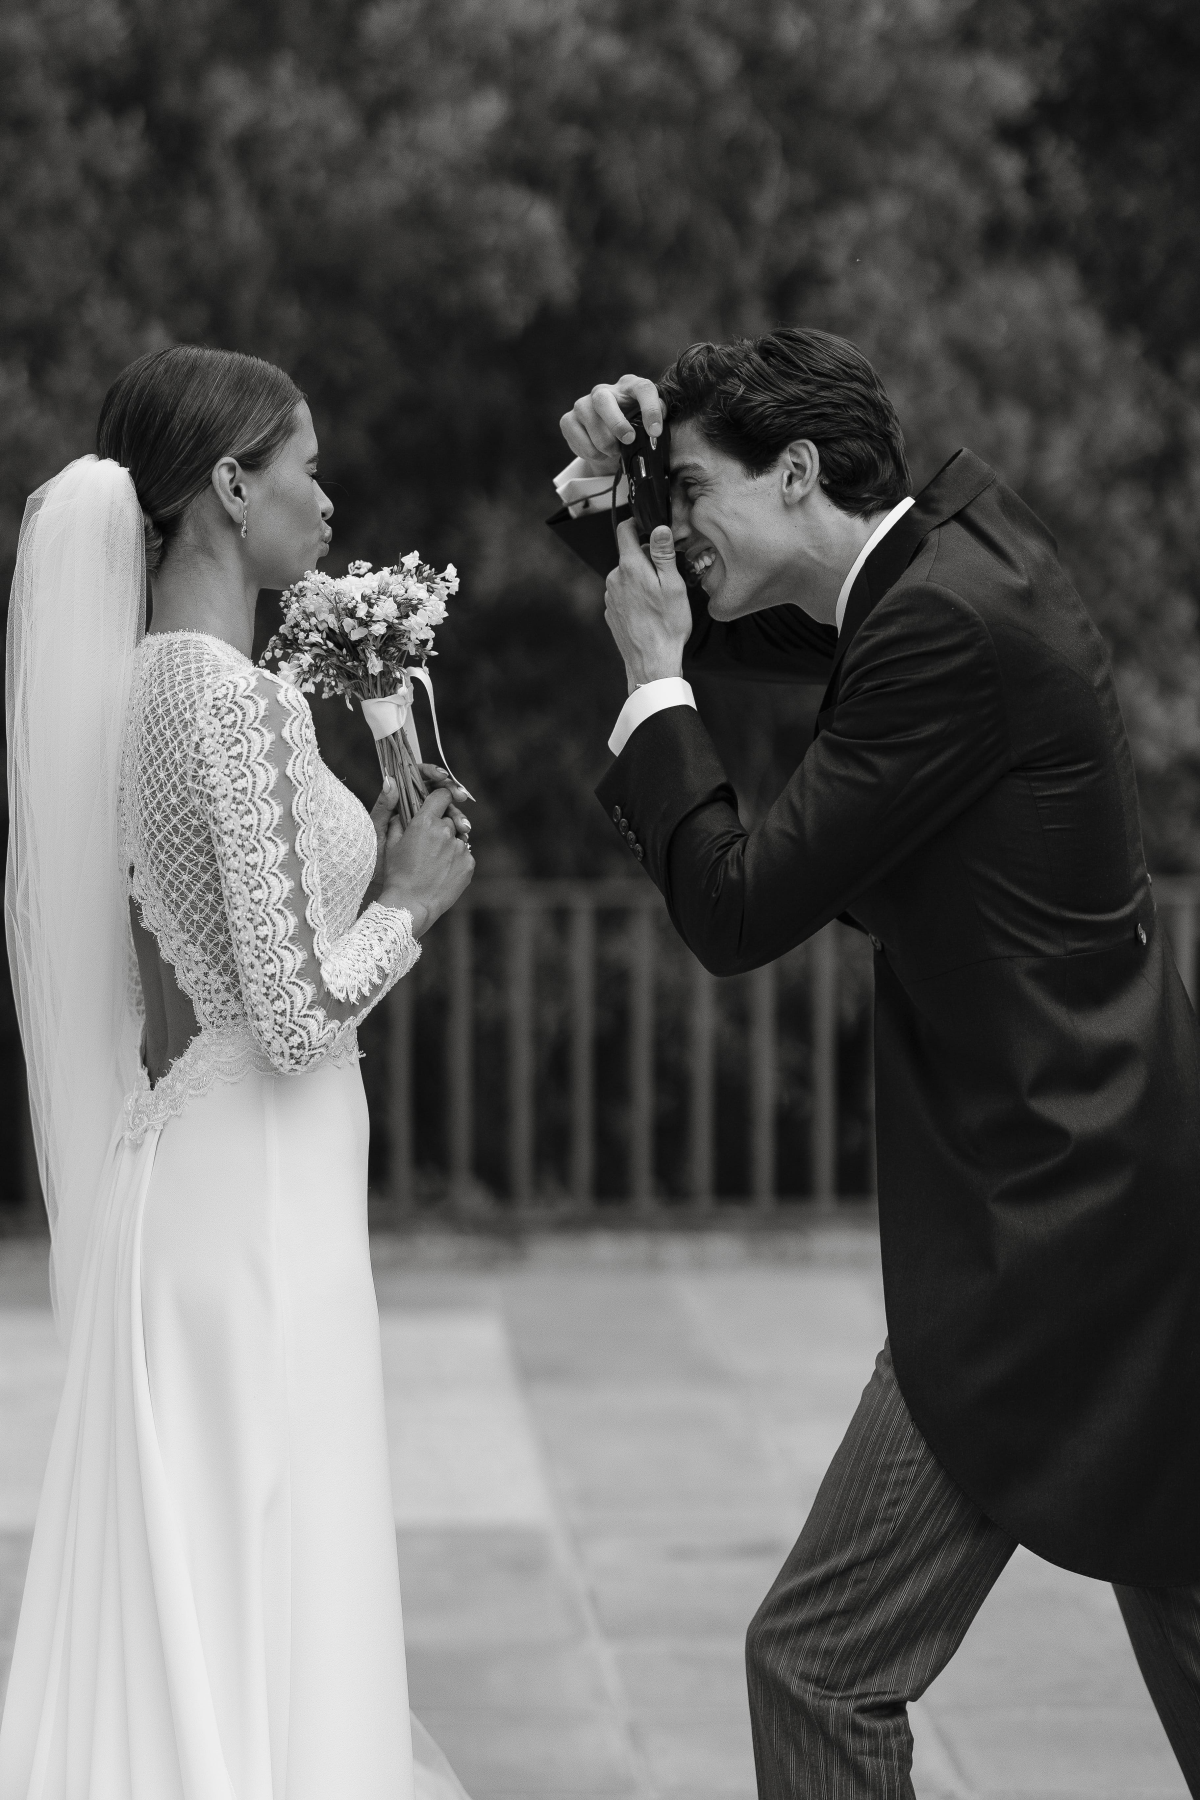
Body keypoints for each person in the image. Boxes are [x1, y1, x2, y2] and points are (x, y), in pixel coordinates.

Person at [552, 328, 1200, 1798]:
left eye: (695, 490)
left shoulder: (935, 633)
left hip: (1064, 1232)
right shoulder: (941, 568)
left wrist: (652, 678)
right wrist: (618, 497)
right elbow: (743, 624)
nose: (681, 525)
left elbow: (735, 907)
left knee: (817, 1667)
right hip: (1118, 1191)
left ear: (796, 473)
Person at [1, 346, 475, 1799]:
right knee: (277, 1544)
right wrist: (413, 902)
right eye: (305, 470)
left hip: (201, 1180)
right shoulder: (233, 702)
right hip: (256, 1200)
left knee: (221, 1562)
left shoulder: (147, 687)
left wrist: (367, 861)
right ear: (226, 485)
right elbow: (288, 1017)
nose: (327, 502)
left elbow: (212, 965)